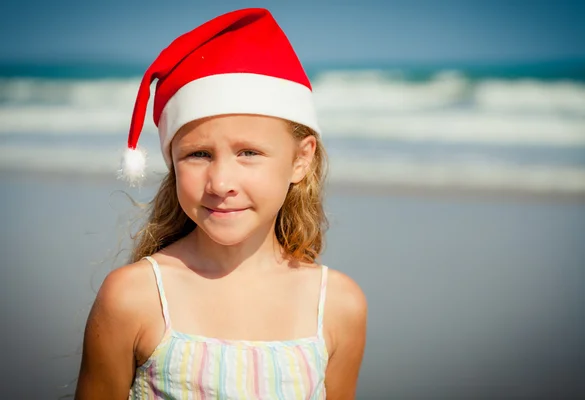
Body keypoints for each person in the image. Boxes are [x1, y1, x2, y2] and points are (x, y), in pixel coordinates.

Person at [74, 7, 367, 400]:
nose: (221, 183)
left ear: (300, 159)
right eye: (198, 155)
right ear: (172, 162)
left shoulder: (336, 304)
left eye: (248, 152)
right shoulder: (133, 297)